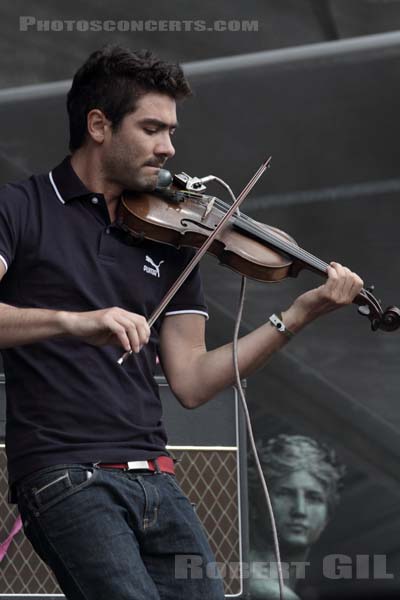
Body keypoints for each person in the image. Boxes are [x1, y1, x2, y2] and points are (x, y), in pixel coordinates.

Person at [0, 45, 362, 600]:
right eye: (151, 129)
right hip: (67, 473)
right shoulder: (20, 209)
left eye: (171, 130)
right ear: (99, 125)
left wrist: (299, 313)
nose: (169, 148)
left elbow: (191, 381)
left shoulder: (173, 235)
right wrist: (75, 323)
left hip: (157, 479)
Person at [249, 434, 345, 599]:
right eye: (285, 494)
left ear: (328, 514)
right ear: (254, 505)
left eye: (313, 498)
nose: (300, 510)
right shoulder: (262, 590)